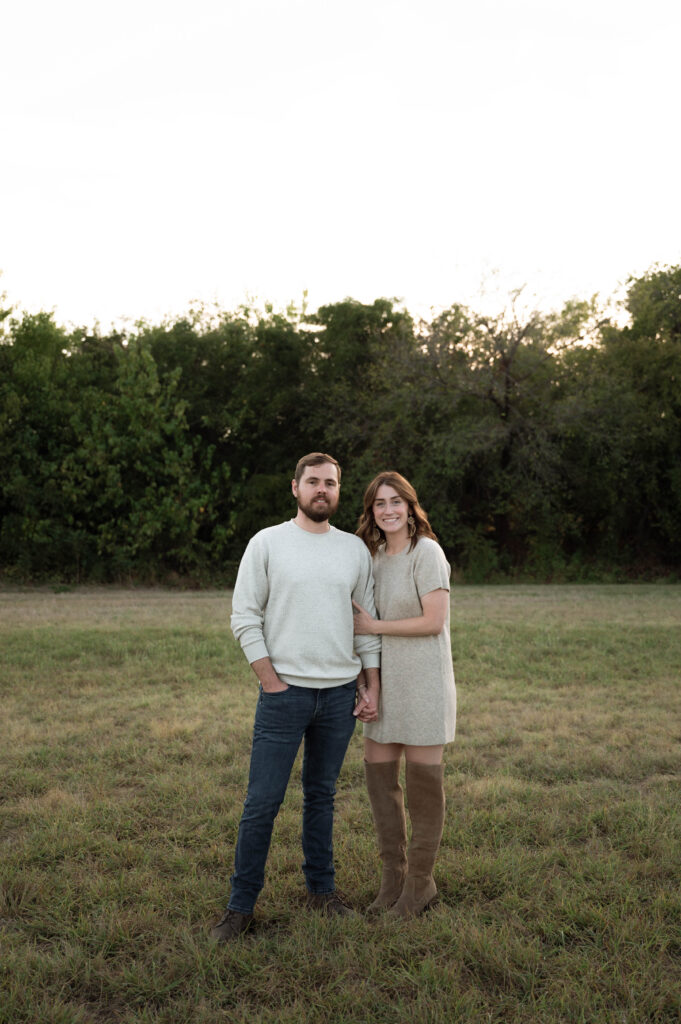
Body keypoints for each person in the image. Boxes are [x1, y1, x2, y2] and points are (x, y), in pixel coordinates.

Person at [210, 452, 381, 943]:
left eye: (330, 483)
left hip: (338, 696)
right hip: (284, 695)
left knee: (321, 797)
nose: (321, 490)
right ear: (295, 488)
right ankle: (240, 907)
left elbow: (364, 628)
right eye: (313, 482)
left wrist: (369, 684)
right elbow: (244, 616)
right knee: (262, 802)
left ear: (338, 491)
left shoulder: (353, 551)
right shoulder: (268, 543)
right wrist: (270, 680)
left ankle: (322, 892)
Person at [352, 471, 456, 918]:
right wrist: (365, 678)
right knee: (380, 782)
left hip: (425, 684)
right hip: (383, 684)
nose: (388, 510)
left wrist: (374, 626)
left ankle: (419, 885)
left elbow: (433, 621)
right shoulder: (372, 558)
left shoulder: (426, 552)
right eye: (379, 503)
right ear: (371, 511)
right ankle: (392, 879)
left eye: (396, 501)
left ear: (411, 507)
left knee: (422, 788)